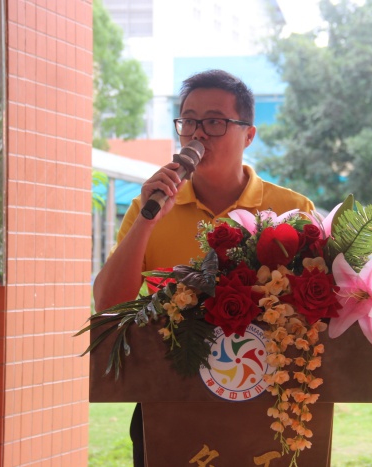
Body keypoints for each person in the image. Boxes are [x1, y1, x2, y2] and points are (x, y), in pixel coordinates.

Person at [92, 69, 314, 466]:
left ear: (249, 135)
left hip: (266, 401)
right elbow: (109, 303)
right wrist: (148, 220)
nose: (197, 134)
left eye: (214, 122)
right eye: (189, 121)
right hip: (168, 397)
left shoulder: (291, 210)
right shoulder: (149, 206)